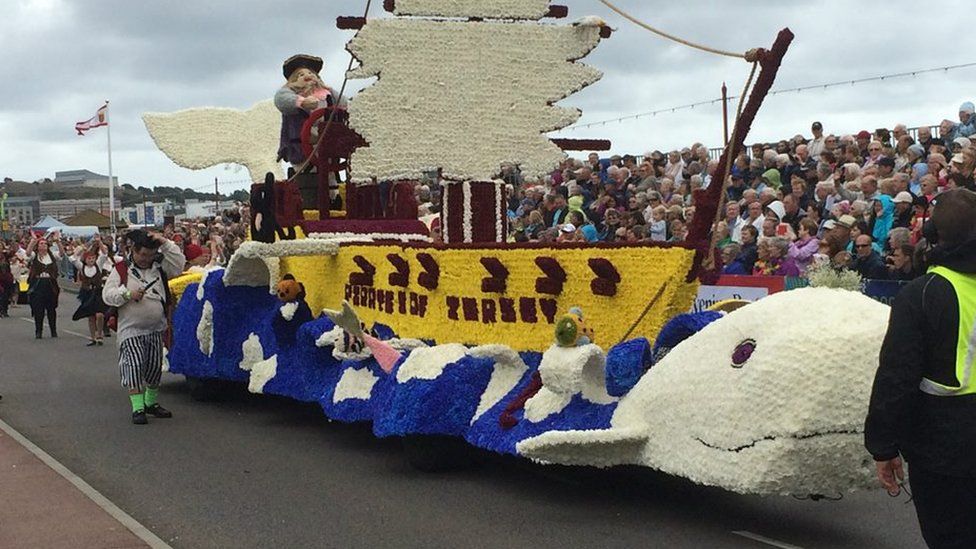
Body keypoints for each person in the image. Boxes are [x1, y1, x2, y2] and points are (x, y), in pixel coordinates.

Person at [865, 189, 976, 548]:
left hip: (945, 451)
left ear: (932, 237)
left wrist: (883, 446)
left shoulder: (923, 293)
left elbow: (897, 377)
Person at [103, 231, 186, 425]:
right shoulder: (122, 269)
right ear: (134, 251)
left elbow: (179, 264)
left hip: (156, 328)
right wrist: (127, 294)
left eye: (150, 255)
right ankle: (137, 408)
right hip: (130, 329)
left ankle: (150, 403)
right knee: (134, 366)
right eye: (143, 255)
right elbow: (107, 295)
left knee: (154, 368)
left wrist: (165, 242)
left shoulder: (160, 267)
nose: (146, 259)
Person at [22, 235, 61, 339]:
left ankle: (53, 330)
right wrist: (32, 242)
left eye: (45, 244)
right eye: (41, 244)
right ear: (38, 246)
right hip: (37, 285)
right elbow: (28, 253)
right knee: (38, 310)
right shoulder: (35, 255)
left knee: (51, 309)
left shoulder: (52, 255)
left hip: (50, 285)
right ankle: (38, 331)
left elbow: (62, 254)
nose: (44, 246)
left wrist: (58, 241)